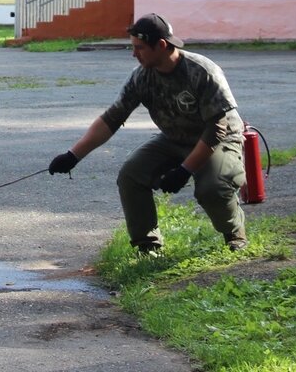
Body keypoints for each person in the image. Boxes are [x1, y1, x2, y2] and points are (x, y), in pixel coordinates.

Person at [48, 14, 247, 255]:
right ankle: (147, 246)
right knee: (131, 176)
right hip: (174, 138)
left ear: (161, 45)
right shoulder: (141, 77)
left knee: (212, 188)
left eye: (139, 48)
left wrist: (185, 170)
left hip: (217, 140)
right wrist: (73, 156)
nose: (134, 54)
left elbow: (217, 128)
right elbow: (112, 119)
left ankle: (234, 233)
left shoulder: (201, 71)